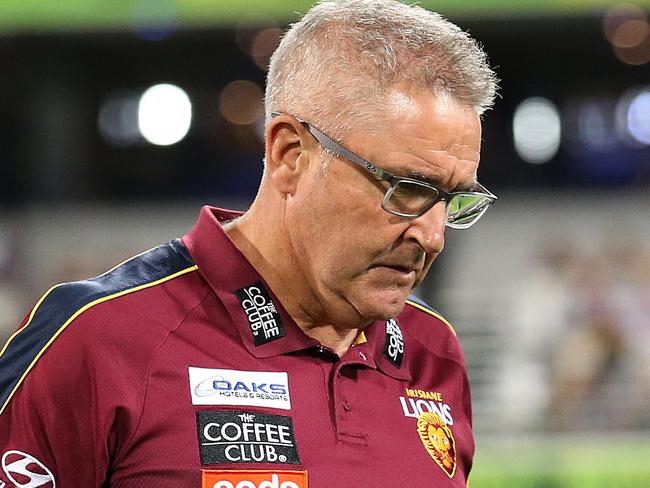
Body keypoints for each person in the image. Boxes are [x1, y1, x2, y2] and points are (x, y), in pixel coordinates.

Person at [0, 0, 498, 486]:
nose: (432, 235)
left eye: (452, 201)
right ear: (290, 155)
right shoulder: (98, 341)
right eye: (405, 189)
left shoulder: (435, 354)